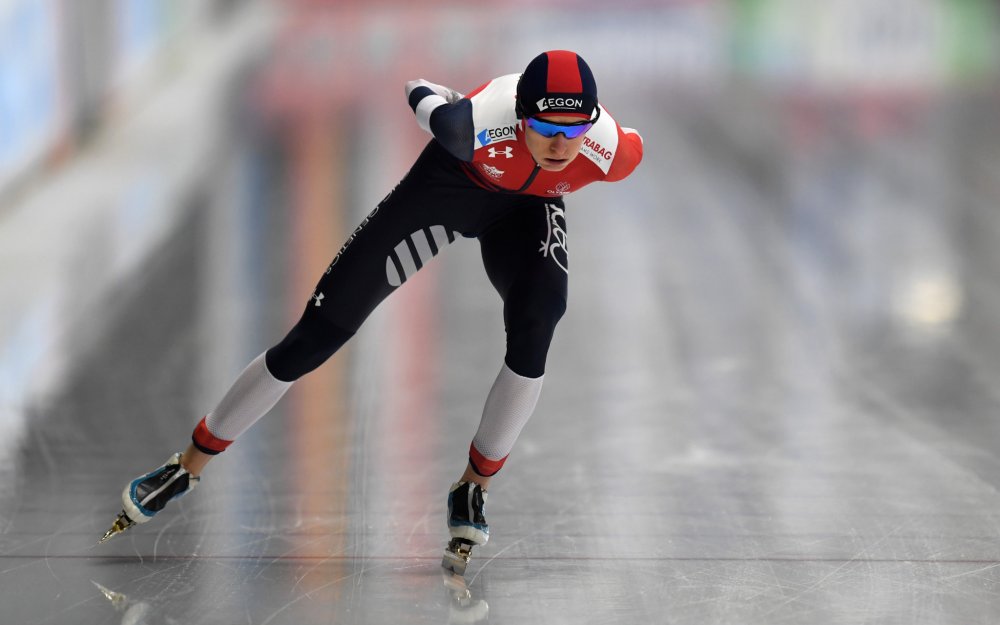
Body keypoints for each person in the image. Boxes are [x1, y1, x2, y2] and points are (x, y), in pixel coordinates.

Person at [102, 50, 644, 574]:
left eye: (574, 130)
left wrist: (565, 138)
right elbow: (416, 87)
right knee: (317, 335)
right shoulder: (469, 127)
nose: (560, 145)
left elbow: (626, 142)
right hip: (449, 187)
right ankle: (188, 464)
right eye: (546, 128)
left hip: (525, 212)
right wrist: (448, 98)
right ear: (522, 116)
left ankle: (473, 486)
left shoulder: (612, 151)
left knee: (539, 321)